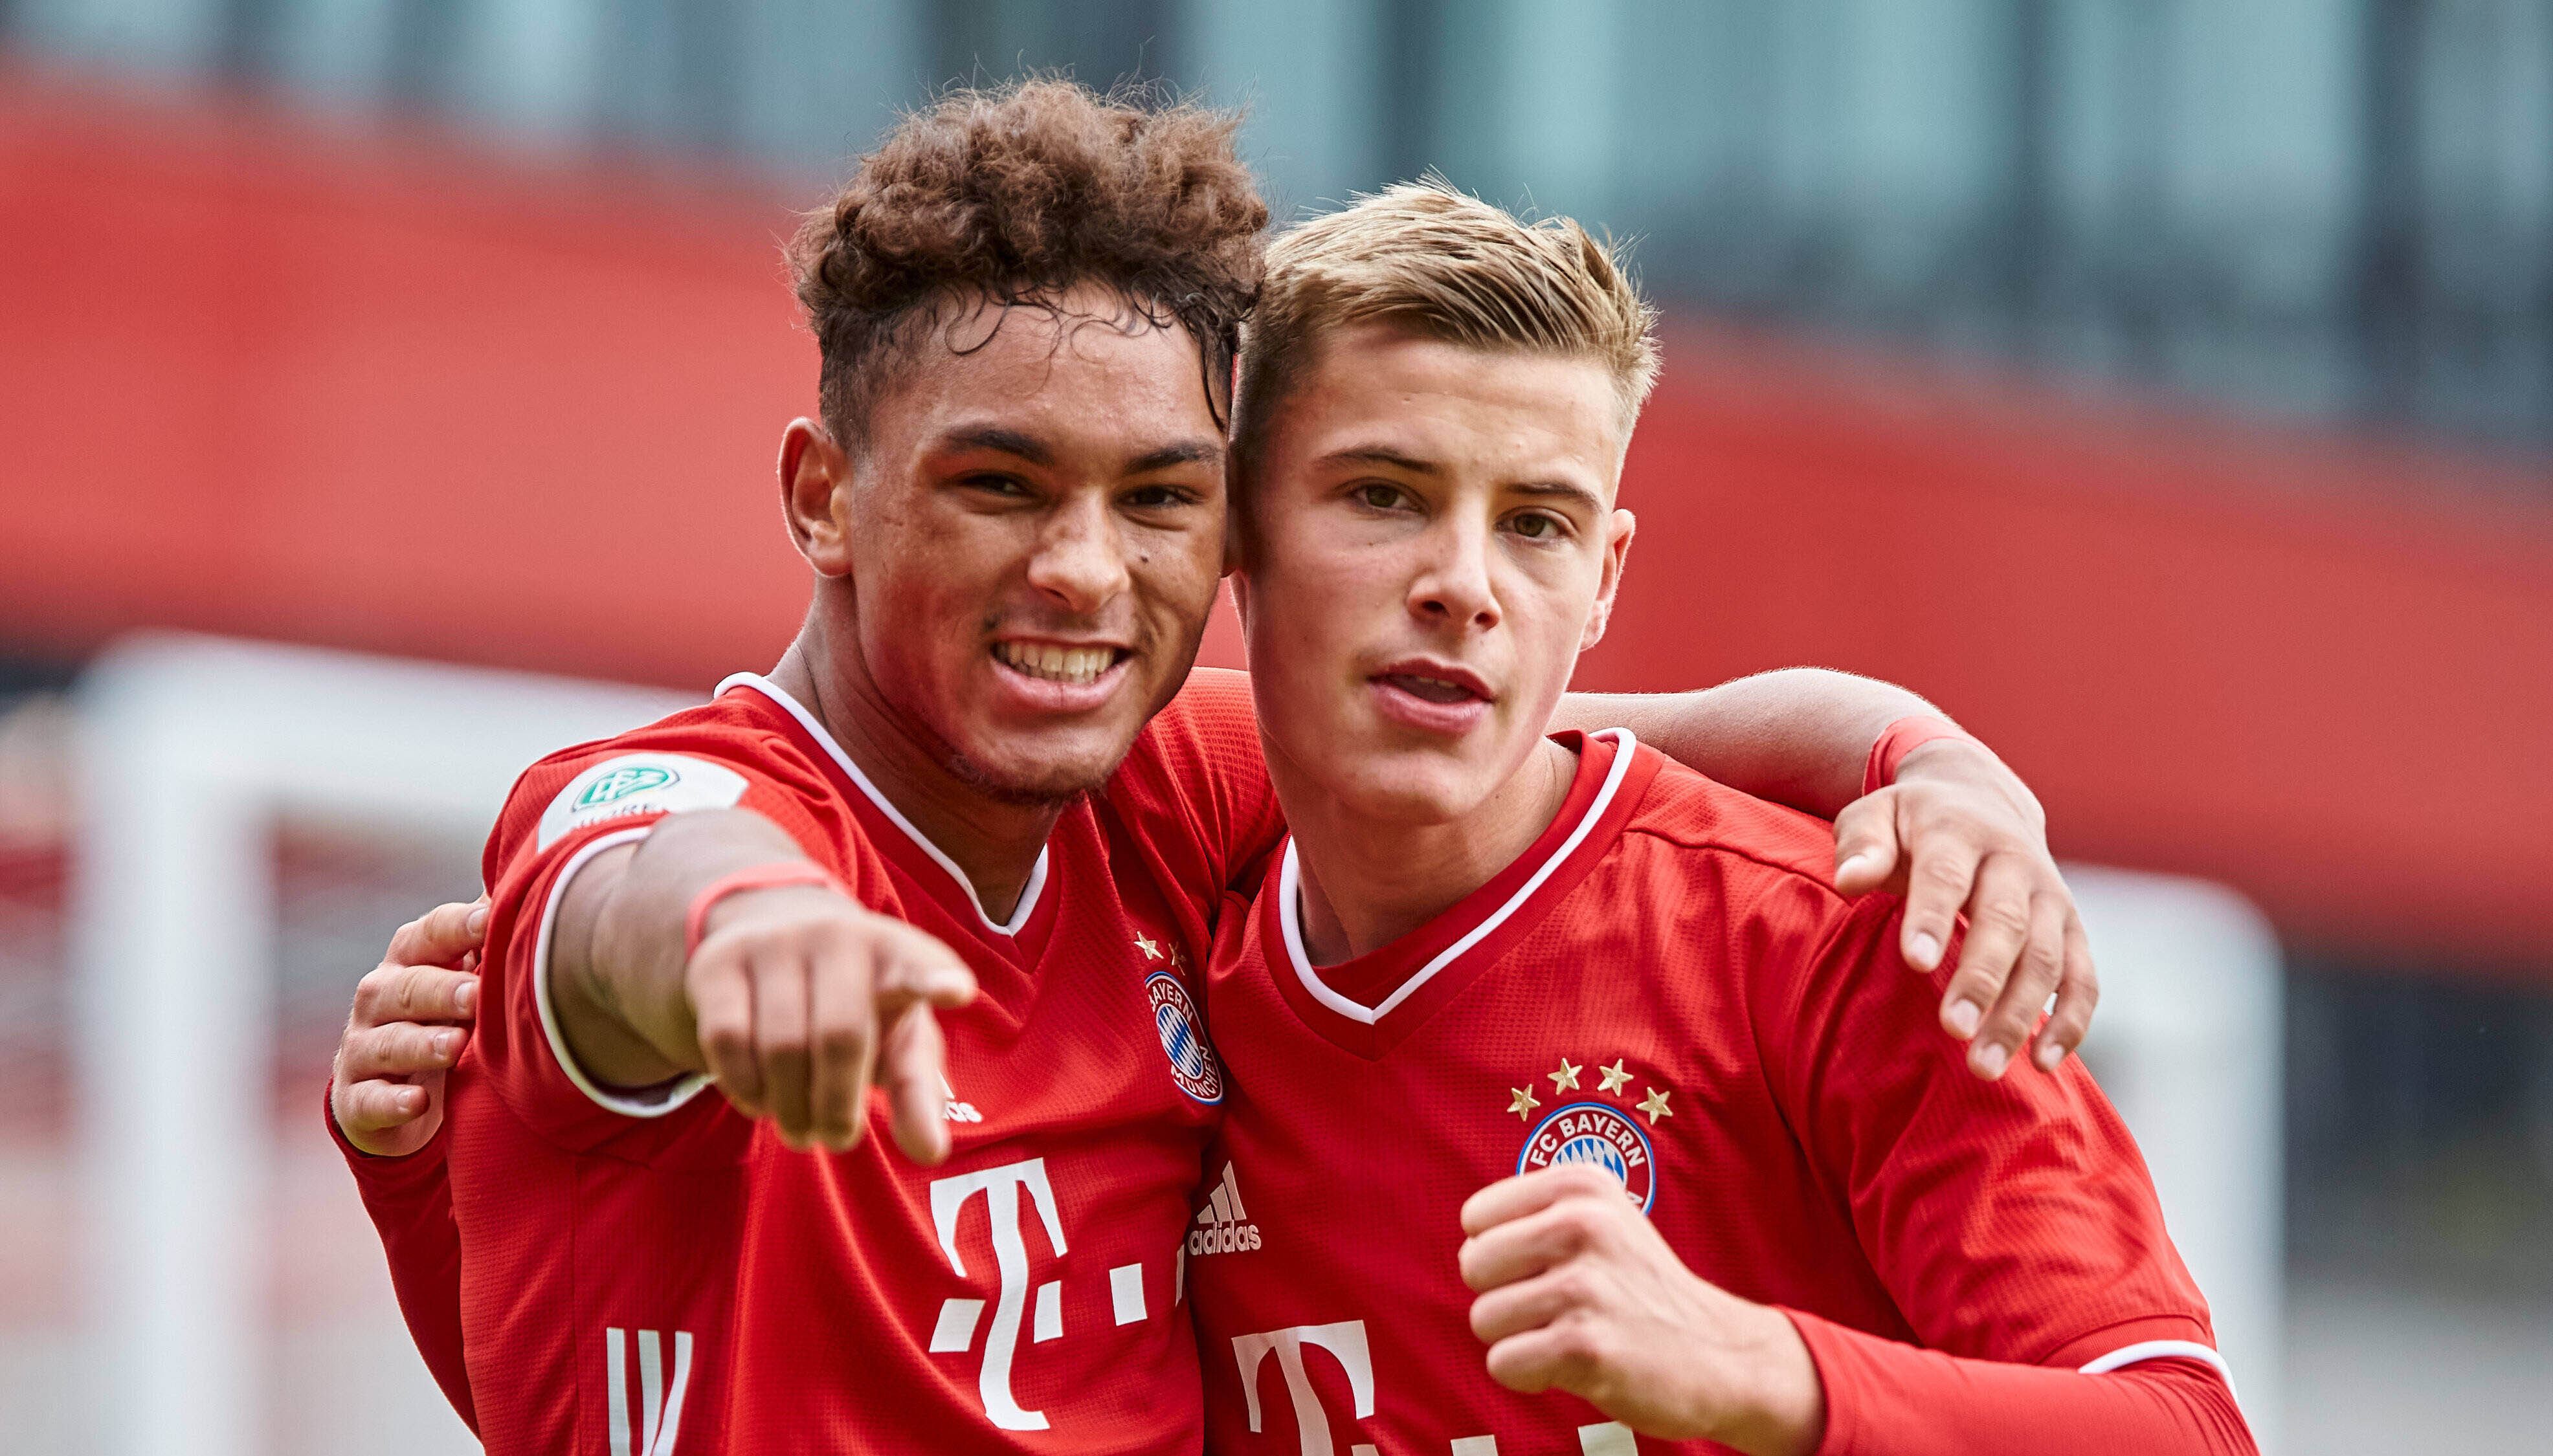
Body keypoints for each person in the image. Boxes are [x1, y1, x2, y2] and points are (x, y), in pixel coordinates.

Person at [326, 82, 2098, 1451]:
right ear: (823, 498)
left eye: (1158, 497)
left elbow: (1545, 736)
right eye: (1001, 483)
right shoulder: (663, 811)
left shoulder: (1157, 795)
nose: (1086, 570)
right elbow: (633, 891)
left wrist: (1932, 761)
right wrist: (747, 944)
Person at [1183, 182, 2252, 1455]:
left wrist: (1766, 1373)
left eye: (1535, 524)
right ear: (1233, 525)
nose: (1461, 586)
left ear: (1601, 581)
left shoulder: (1861, 935)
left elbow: (2184, 1430)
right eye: (1383, 495)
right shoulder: (1154, 922)